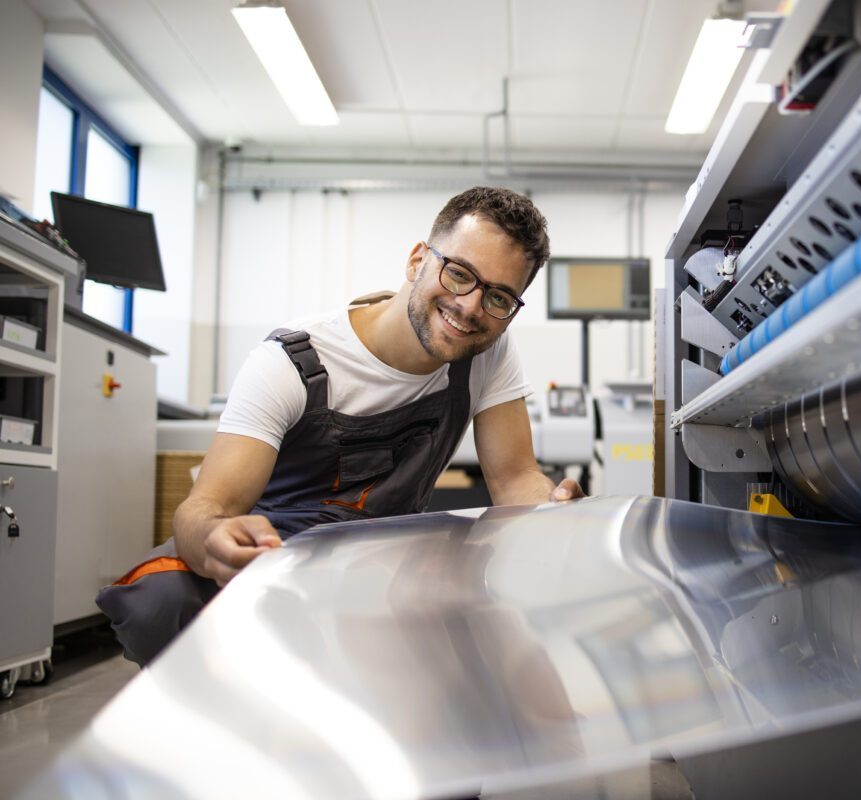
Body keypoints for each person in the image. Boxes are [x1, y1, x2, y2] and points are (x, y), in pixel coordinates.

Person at [97, 186, 584, 665]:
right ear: (418, 261)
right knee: (161, 601)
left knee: (488, 623)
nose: (471, 307)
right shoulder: (289, 363)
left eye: (499, 298)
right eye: (459, 274)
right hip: (275, 558)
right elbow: (205, 507)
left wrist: (553, 511)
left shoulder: (488, 353)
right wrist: (215, 543)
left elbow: (515, 477)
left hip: (384, 561)